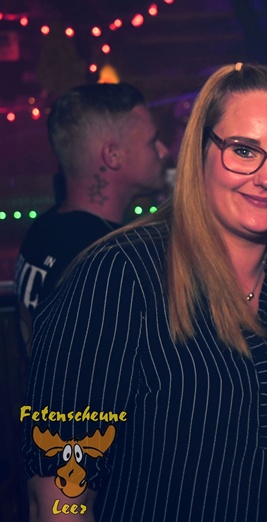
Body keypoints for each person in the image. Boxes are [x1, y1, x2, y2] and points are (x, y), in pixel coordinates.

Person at [23, 63, 267, 522]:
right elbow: (58, 499)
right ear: (200, 152)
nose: (266, 177)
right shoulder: (117, 275)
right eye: (243, 150)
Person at [14, 82, 169, 352]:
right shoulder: (110, 261)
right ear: (112, 156)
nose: (163, 150)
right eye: (151, 141)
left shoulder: (42, 231)